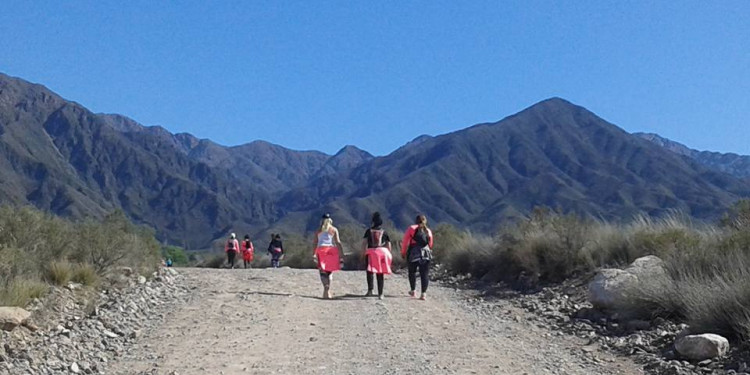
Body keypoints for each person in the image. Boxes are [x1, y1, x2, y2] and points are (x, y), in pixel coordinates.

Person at [401, 214, 434, 300]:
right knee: (424, 274)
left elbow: (405, 241)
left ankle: (413, 290)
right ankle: (423, 294)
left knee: (412, 272)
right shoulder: (428, 230)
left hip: (414, 252)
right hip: (426, 253)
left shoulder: (411, 228)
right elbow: (430, 244)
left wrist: (403, 253)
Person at [362, 212, 392, 299]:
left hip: (371, 252)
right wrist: (389, 255)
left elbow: (364, 243)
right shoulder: (384, 232)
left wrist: (363, 253)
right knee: (380, 272)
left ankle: (370, 290)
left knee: (370, 271)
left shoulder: (369, 231)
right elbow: (388, 244)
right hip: (381, 253)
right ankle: (380, 293)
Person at [312, 213, 343, 299]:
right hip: (330, 250)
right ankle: (328, 289)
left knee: (322, 271)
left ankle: (325, 288)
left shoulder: (318, 230)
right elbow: (338, 242)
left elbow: (315, 242)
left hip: (321, 250)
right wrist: (341, 253)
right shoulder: (334, 230)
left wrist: (313, 253)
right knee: (329, 271)